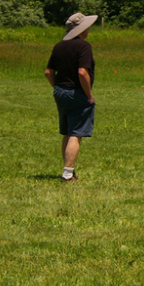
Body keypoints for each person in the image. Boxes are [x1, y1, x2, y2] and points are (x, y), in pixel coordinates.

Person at [45, 12, 98, 182]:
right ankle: (67, 174)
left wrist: (59, 89)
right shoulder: (83, 47)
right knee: (76, 133)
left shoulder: (59, 46)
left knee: (67, 132)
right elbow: (82, 72)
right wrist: (89, 94)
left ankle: (68, 169)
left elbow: (48, 72)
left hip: (60, 92)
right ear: (82, 29)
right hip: (77, 92)